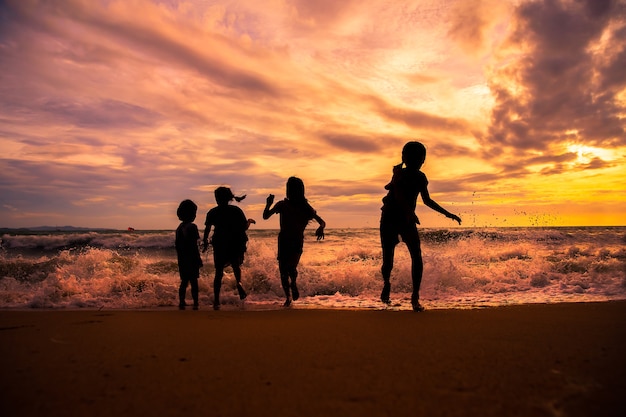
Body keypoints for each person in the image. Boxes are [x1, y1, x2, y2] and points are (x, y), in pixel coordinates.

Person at [380, 141, 461, 312]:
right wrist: (409, 211)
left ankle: (415, 295)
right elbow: (397, 193)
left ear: (423, 160)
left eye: (420, 157)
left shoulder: (420, 177)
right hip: (389, 218)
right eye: (414, 157)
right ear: (404, 158)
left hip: (407, 220)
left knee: (417, 256)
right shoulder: (399, 175)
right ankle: (386, 283)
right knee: (388, 261)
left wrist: (448, 214)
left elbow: (427, 200)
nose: (418, 161)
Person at [263, 177, 326, 307]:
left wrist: (268, 204)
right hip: (292, 240)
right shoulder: (292, 205)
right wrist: (321, 227)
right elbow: (322, 221)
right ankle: (289, 293)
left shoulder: (293, 206)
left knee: (287, 269)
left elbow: (265, 216)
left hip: (289, 240)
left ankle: (291, 290)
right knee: (287, 269)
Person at [203, 187, 255, 310]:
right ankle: (239, 283)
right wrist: (249, 221)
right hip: (235, 243)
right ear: (229, 199)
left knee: (218, 272)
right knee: (236, 266)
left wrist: (205, 242)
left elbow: (207, 229)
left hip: (220, 243)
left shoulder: (212, 212)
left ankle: (216, 300)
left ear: (217, 199)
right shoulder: (236, 210)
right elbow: (243, 228)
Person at [175, 199, 203, 310]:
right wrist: (198, 258)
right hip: (191, 259)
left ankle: (182, 301)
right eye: (194, 213)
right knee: (194, 282)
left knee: (184, 281)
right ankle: (196, 302)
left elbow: (178, 245)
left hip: (182, 259)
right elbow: (193, 246)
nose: (195, 216)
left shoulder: (179, 228)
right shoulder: (192, 227)